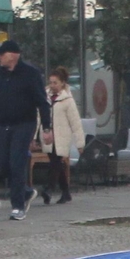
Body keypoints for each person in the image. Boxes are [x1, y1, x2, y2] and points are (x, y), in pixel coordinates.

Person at [0, 39, 48, 220]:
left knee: (17, 163)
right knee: (4, 164)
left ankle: (17, 206)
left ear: (11, 55)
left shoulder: (30, 73)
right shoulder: (0, 74)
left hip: (24, 123)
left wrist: (47, 127)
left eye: (0, 55)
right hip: (4, 124)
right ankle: (25, 192)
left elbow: (42, 101)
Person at [37, 67, 83, 206]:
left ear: (62, 83)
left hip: (62, 136)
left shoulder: (67, 100)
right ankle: (66, 192)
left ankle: (48, 188)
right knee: (57, 163)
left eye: (55, 82)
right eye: (51, 82)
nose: (52, 85)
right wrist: (34, 136)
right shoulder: (44, 96)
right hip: (48, 135)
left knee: (56, 161)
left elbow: (75, 122)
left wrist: (80, 143)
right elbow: (38, 117)